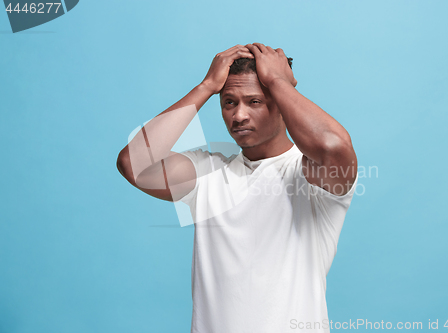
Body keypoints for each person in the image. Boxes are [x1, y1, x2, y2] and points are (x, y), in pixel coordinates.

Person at [116, 43, 358, 333]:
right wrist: (206, 86)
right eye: (229, 102)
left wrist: (278, 81)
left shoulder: (310, 175)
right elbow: (133, 164)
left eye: (254, 101)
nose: (239, 115)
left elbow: (332, 146)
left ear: (282, 102)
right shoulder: (209, 173)